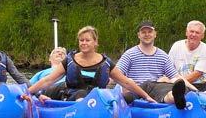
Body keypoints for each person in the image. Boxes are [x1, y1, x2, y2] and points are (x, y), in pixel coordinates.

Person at [117, 20, 206, 113]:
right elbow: (116, 75)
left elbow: (175, 76)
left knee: (175, 88)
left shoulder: (162, 56)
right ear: (138, 35)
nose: (147, 35)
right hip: (138, 89)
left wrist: (195, 91)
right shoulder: (130, 54)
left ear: (155, 34)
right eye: (143, 32)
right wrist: (125, 86)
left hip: (158, 87)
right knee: (171, 89)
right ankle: (180, 99)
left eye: (150, 32)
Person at [28, 26, 156, 103]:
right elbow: (48, 80)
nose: (84, 43)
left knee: (128, 96)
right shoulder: (69, 60)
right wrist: (28, 92)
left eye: (87, 40)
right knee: (80, 94)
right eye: (81, 40)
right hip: (71, 97)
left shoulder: (106, 63)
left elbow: (126, 82)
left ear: (95, 42)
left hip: (97, 99)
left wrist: (146, 96)